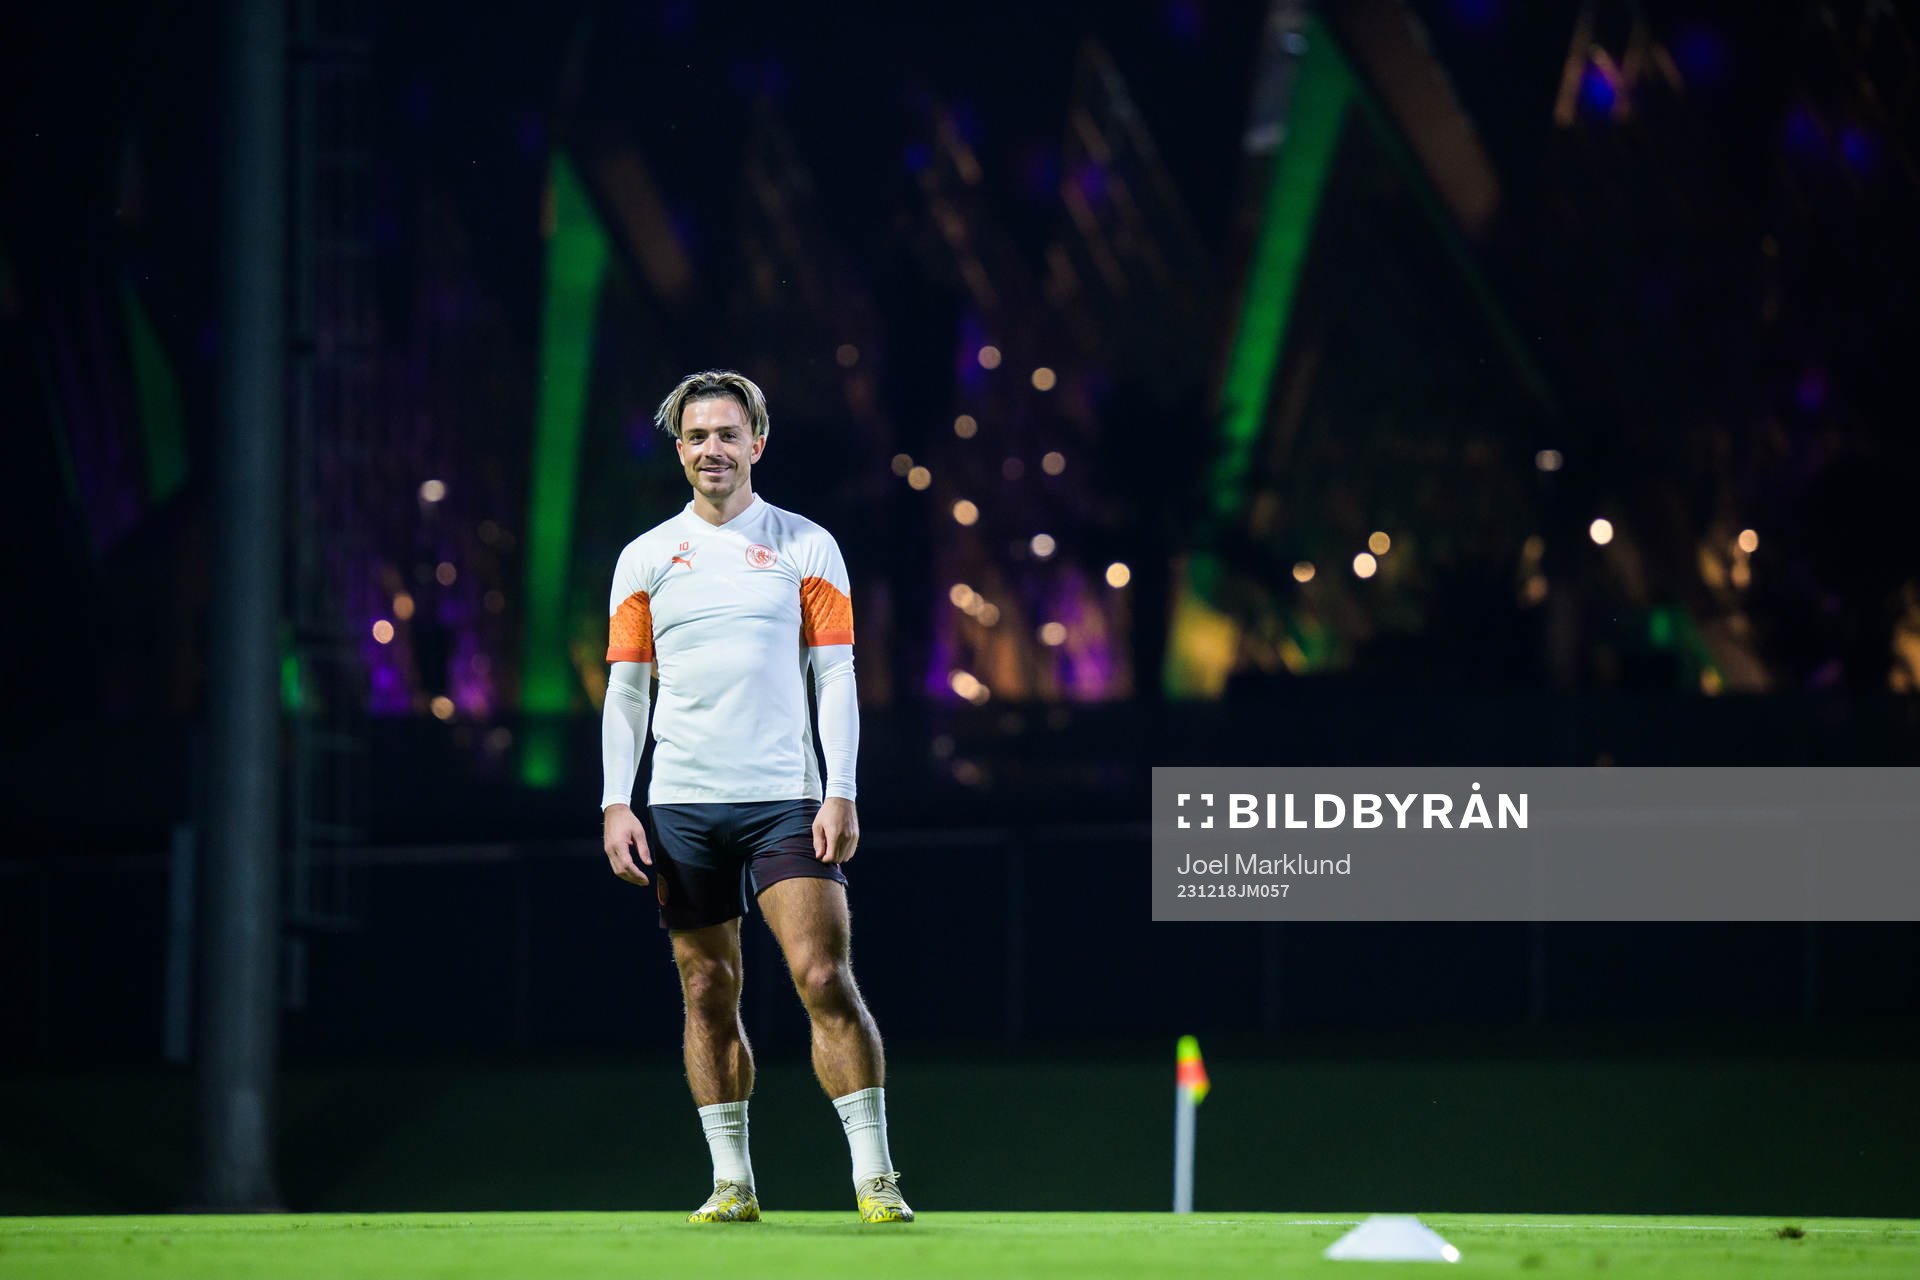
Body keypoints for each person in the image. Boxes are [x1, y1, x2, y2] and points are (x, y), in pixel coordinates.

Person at [598, 369, 912, 1225]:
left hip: (786, 798)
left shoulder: (807, 544)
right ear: (680, 449)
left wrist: (840, 788)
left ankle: (875, 1177)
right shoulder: (647, 557)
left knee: (821, 975)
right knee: (707, 988)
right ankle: (732, 1183)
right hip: (681, 806)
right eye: (697, 436)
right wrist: (614, 803)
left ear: (756, 444)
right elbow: (627, 692)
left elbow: (837, 672)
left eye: (727, 434)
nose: (712, 449)